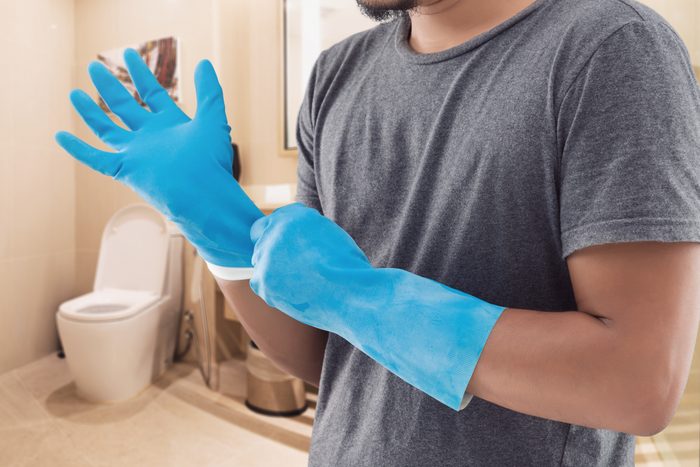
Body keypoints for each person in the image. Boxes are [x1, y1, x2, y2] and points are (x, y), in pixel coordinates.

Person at [56, 0, 700, 465]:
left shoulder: (610, 47)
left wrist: (362, 297)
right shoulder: (335, 77)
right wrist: (224, 230)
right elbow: (319, 353)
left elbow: (637, 382)